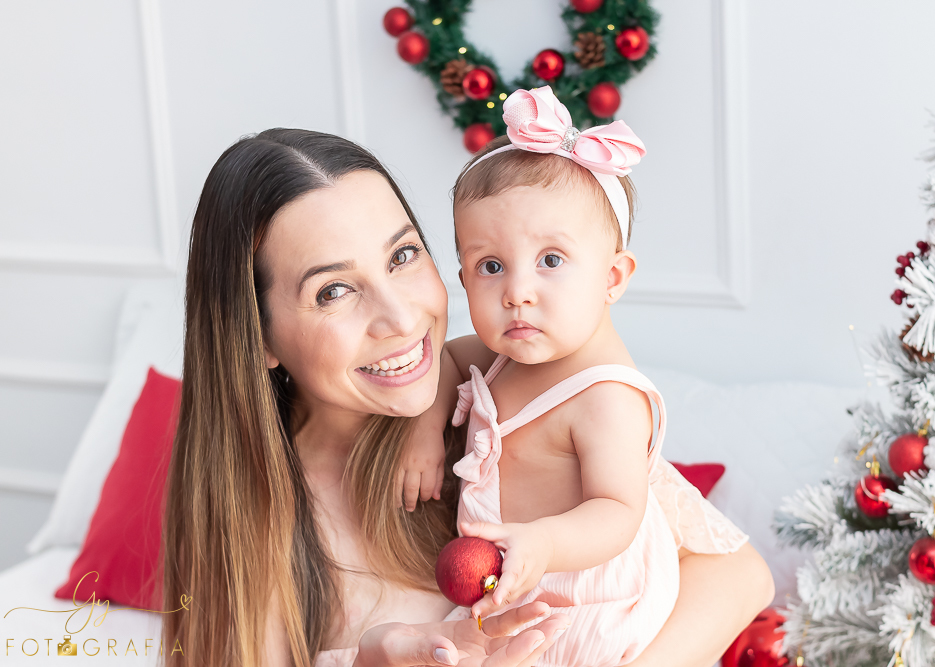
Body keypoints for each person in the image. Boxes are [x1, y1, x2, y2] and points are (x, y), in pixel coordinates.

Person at [161, 128, 774, 667]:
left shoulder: (498, 405)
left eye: (403, 256)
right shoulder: (254, 518)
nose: (402, 318)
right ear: (256, 333)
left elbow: (737, 575)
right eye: (333, 291)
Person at [399, 87, 758, 667]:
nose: (518, 291)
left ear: (613, 276)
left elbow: (618, 510)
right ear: (463, 279)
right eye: (491, 266)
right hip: (514, 590)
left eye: (551, 261)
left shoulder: (605, 395)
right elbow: (441, 361)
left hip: (592, 604)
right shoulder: (502, 356)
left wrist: (545, 542)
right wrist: (425, 427)